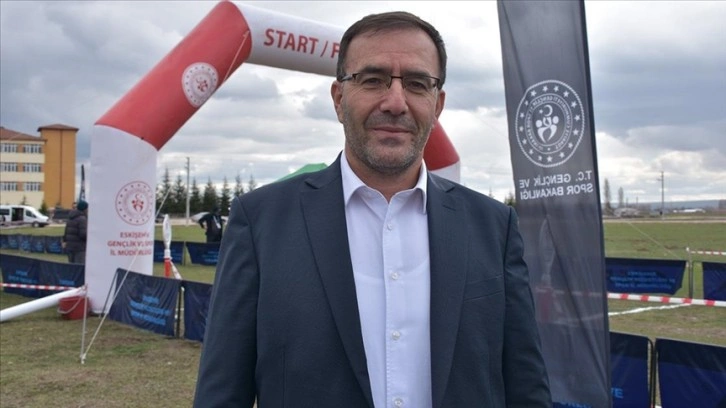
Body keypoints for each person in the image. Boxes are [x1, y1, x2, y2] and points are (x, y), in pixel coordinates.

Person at [194, 11, 551, 407]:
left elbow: (526, 386)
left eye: (417, 84)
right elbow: (222, 392)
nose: (395, 102)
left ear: (437, 105)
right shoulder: (261, 221)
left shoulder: (494, 226)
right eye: (372, 80)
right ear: (339, 98)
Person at [62, 200, 87, 264]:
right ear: (85, 209)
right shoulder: (82, 219)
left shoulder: (70, 218)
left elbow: (66, 232)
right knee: (79, 266)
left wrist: (64, 241)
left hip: (70, 247)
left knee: (72, 266)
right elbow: (83, 234)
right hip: (79, 248)